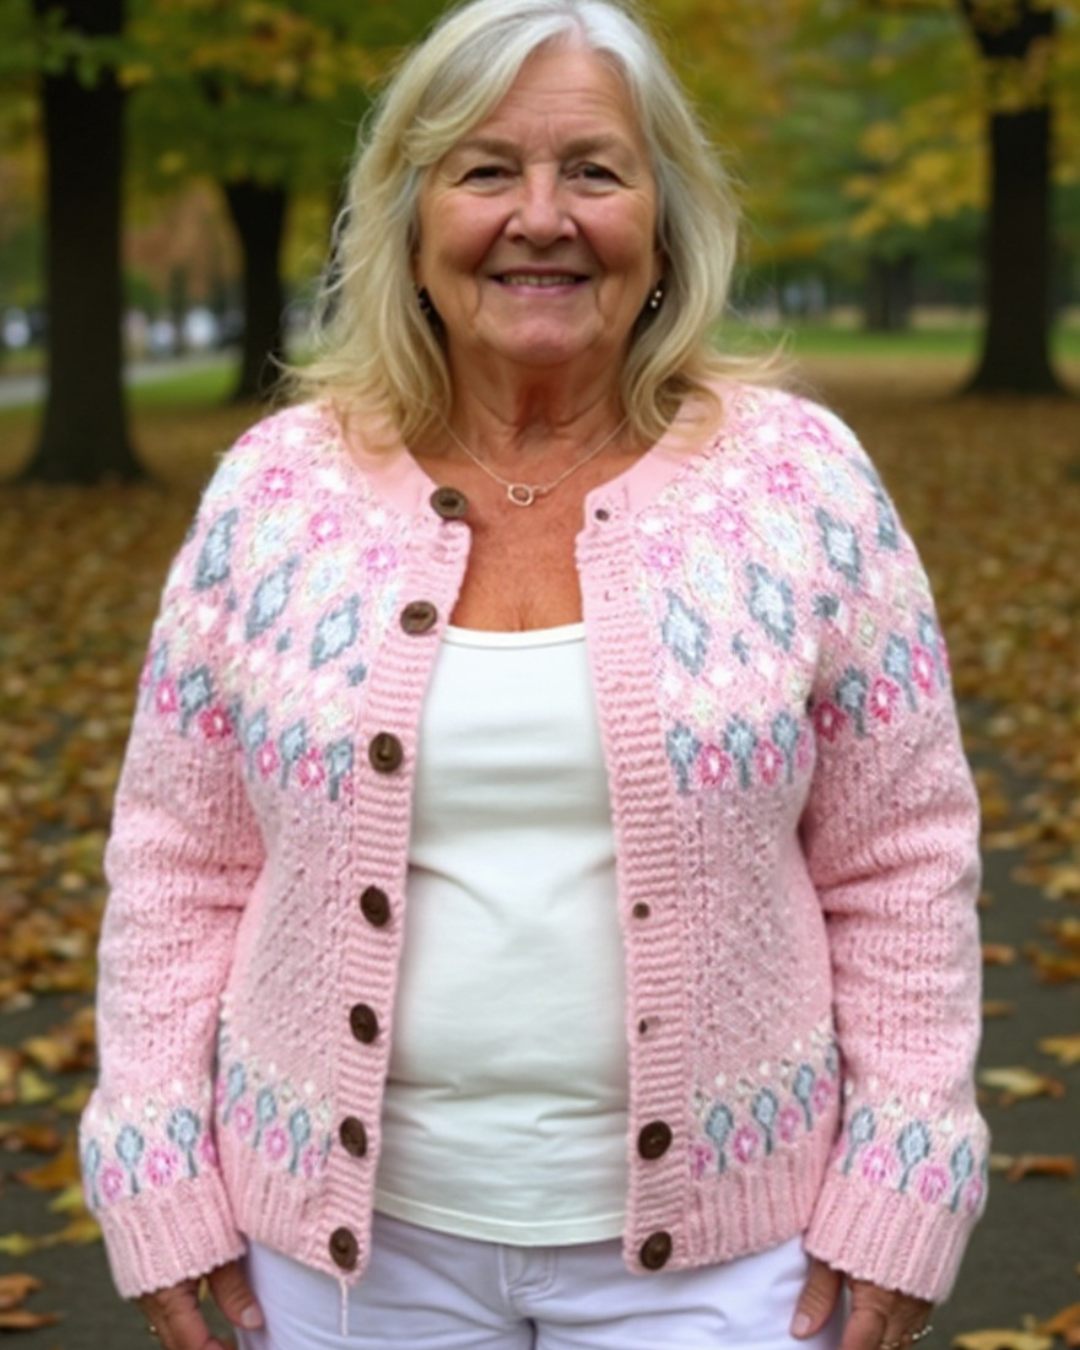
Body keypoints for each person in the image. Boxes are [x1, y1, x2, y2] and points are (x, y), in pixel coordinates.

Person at [80, 1, 989, 1348]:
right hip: (346, 1262)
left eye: (596, 171)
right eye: (487, 169)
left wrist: (908, 1169)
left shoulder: (801, 486)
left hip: (729, 1259)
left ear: (667, 219)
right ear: (409, 214)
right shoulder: (275, 495)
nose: (543, 217)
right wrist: (153, 1157)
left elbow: (902, 857)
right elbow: (177, 860)